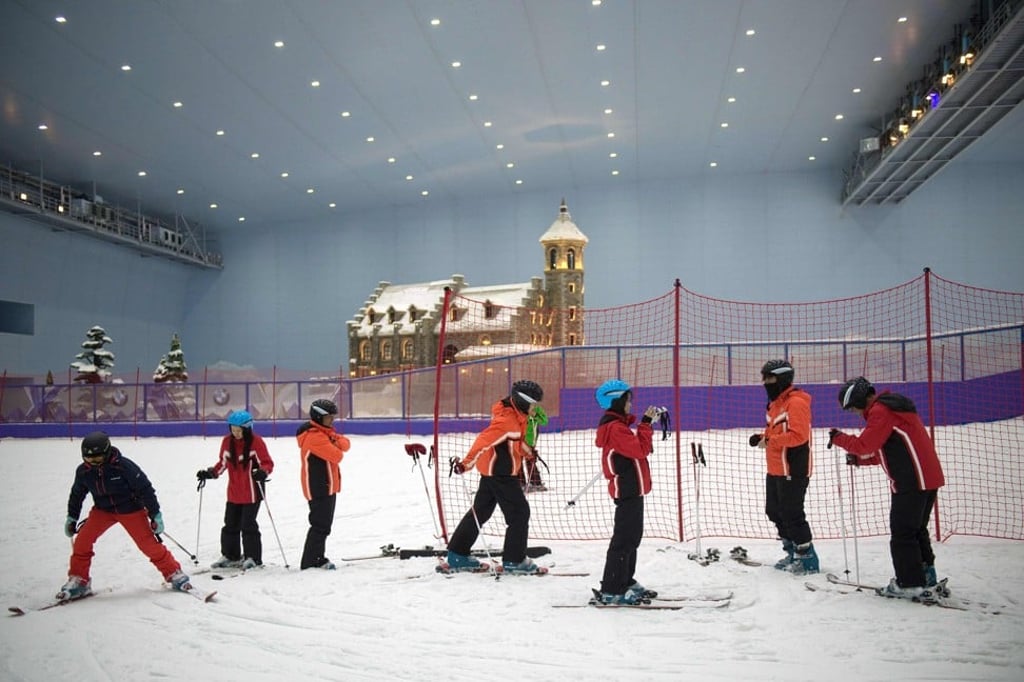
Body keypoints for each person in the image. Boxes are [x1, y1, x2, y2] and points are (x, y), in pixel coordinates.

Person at [829, 377, 946, 601]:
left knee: (903, 533)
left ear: (860, 399)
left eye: (853, 407)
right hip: (926, 478)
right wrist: (860, 461)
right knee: (916, 530)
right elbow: (888, 450)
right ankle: (925, 575)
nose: (854, 412)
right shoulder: (891, 408)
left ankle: (910, 584)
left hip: (912, 481)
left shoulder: (880, 411)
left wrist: (839, 438)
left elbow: (865, 445)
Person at [58, 431, 191, 600]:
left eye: (98, 458)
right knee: (82, 542)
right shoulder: (84, 471)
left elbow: (146, 489)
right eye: (88, 458)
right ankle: (79, 580)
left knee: (148, 545)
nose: (93, 462)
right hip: (102, 510)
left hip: (130, 509)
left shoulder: (124, 467)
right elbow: (77, 494)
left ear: (106, 452)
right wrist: (72, 518)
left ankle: (173, 573)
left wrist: (155, 514)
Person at [446, 380, 544, 574]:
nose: (535, 408)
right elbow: (483, 442)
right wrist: (466, 464)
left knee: (480, 512)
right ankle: (515, 561)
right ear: (522, 401)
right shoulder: (507, 421)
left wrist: (528, 452)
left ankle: (457, 554)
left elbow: (513, 442)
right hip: (501, 474)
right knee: (519, 513)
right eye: (533, 404)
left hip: (493, 473)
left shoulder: (516, 416)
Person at [748, 360, 819, 574]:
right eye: (764, 378)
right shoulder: (776, 403)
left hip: (793, 468)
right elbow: (777, 432)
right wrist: (762, 437)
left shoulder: (796, 402)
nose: (765, 382)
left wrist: (770, 441)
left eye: (769, 378)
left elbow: (799, 436)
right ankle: (791, 550)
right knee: (774, 511)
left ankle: (806, 556)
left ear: (782, 378)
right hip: (776, 468)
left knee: (792, 513)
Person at [593, 379, 659, 605]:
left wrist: (644, 426)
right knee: (623, 540)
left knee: (632, 537)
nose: (631, 404)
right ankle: (612, 588)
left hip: (634, 490)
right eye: (627, 400)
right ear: (616, 401)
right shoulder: (616, 428)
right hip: (627, 491)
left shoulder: (619, 426)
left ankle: (625, 579)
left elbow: (641, 449)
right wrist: (646, 424)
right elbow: (640, 449)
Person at [196, 410, 275, 570]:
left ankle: (253, 557)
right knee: (230, 524)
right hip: (234, 492)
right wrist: (210, 473)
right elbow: (222, 463)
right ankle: (230, 555)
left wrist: (262, 472)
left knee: (248, 525)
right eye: (233, 429)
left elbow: (267, 463)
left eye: (239, 430)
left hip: (252, 492)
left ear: (247, 429)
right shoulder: (227, 442)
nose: (236, 433)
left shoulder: (256, 442)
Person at [296, 399, 350, 570]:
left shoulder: (324, 432)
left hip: (328, 485)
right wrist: (333, 440)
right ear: (318, 417)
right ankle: (311, 561)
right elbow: (337, 456)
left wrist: (333, 438)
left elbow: (346, 444)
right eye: (328, 417)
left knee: (324, 526)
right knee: (320, 526)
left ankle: (317, 557)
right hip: (318, 487)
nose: (332, 421)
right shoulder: (314, 436)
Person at [517, 404, 548, 492]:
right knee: (517, 461)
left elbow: (544, 421)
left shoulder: (537, 409)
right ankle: (520, 483)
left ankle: (536, 482)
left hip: (530, 441)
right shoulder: (518, 409)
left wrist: (534, 415)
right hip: (519, 440)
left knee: (530, 460)